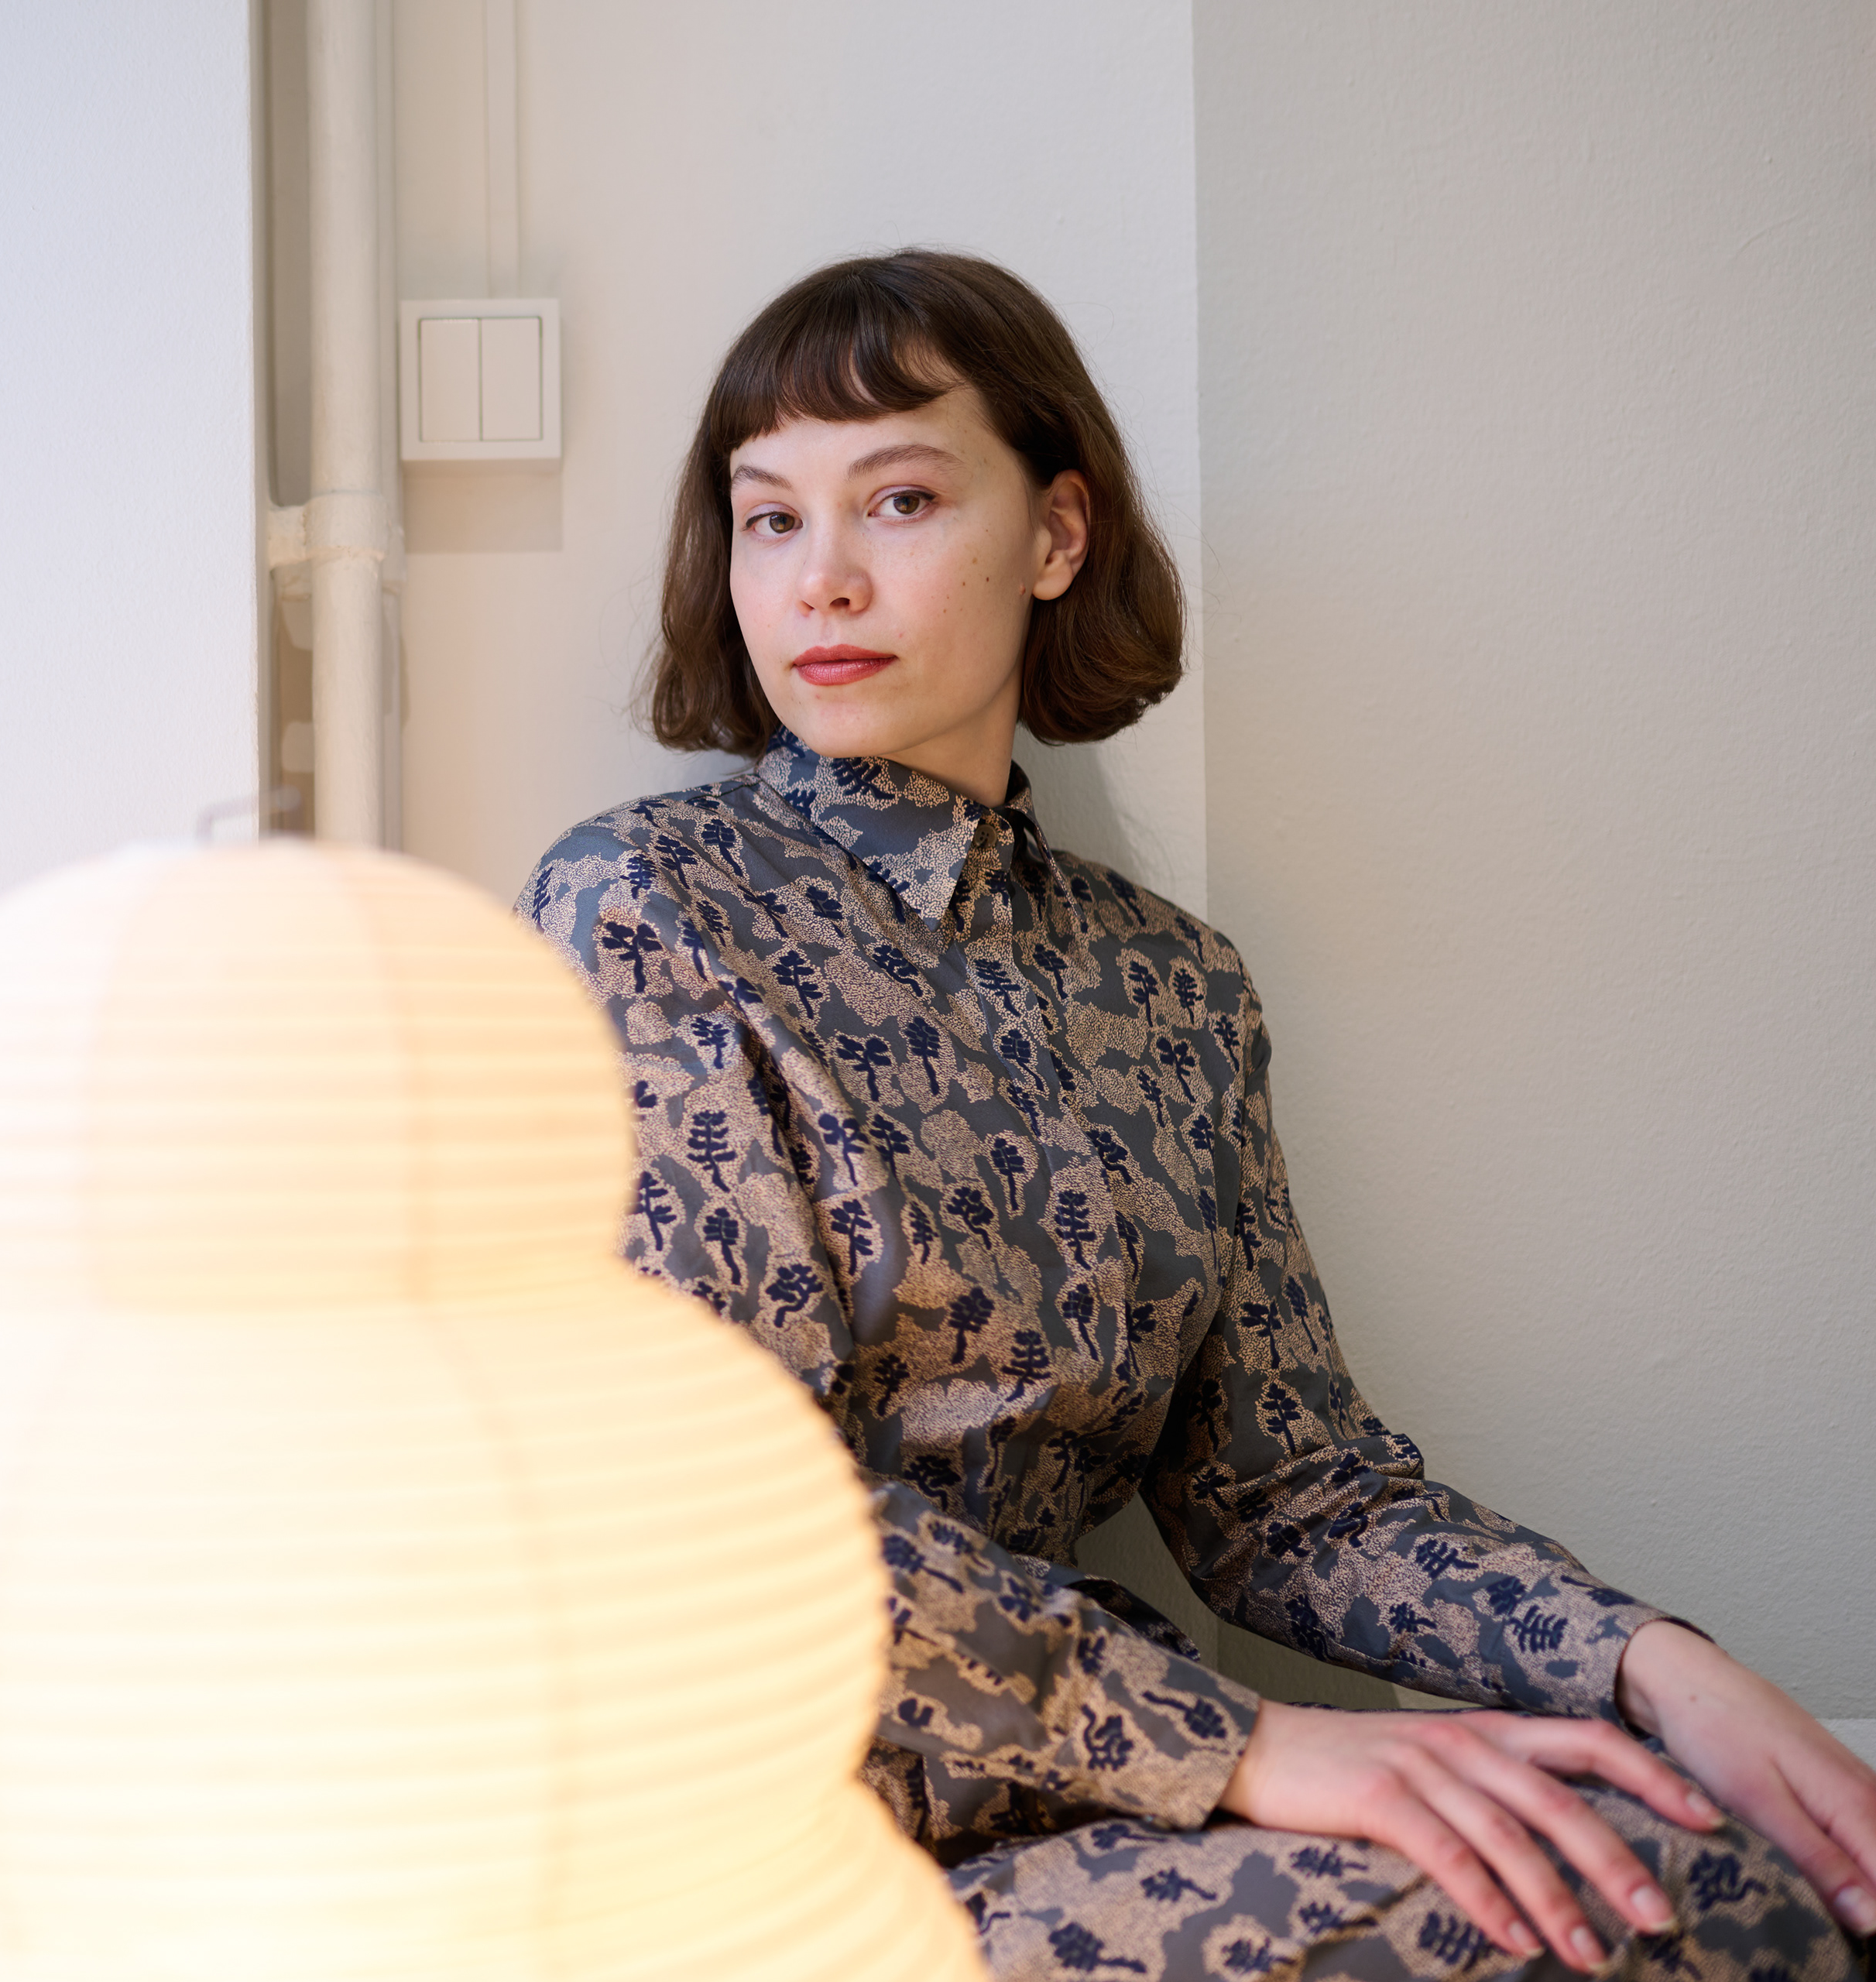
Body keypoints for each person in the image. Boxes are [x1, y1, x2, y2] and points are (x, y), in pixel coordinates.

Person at [520, 251, 1874, 1982]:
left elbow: (1288, 1492)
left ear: (1057, 534)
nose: (822, 576)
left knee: (1738, 1870)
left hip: (1089, 1813)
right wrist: (1245, 1743)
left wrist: (1658, 1669)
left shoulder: (1173, 987)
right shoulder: (646, 904)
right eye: (768, 518)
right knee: (1652, 1925)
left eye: (901, 499)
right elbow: (709, 1498)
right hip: (775, 1845)